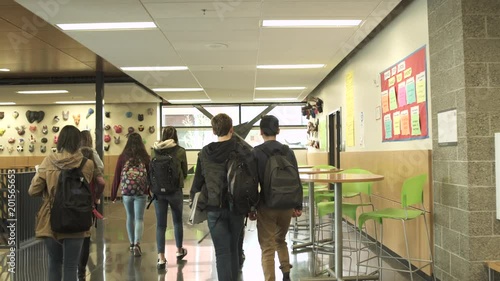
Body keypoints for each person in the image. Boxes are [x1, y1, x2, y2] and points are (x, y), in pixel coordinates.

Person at [190, 113, 253, 281]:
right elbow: (250, 179)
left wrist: (195, 204)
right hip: (237, 208)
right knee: (233, 250)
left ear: (213, 131)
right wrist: (252, 206)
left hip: (213, 209)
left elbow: (197, 183)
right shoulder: (241, 150)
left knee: (222, 253)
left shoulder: (204, 153)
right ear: (231, 130)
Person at [29, 125, 94, 281]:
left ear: (60, 141)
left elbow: (33, 191)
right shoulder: (87, 164)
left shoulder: (48, 161)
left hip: (51, 219)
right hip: (77, 217)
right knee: (71, 266)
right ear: (78, 142)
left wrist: (40, 172)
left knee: (54, 263)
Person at [253, 115, 303, 281]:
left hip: (266, 205)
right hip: (287, 204)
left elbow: (253, 183)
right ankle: (286, 273)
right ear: (278, 130)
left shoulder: (256, 152)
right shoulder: (288, 152)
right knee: (281, 240)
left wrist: (252, 207)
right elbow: (296, 178)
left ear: (261, 132)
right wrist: (298, 205)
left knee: (267, 246)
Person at [152, 126, 188, 269]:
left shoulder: (155, 150)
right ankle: (179, 251)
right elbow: (184, 172)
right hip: (175, 192)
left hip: (158, 193)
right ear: (175, 136)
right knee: (177, 222)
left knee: (161, 225)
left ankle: (161, 258)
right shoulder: (180, 151)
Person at [111, 132, 150, 257]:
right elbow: (150, 176)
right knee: (139, 218)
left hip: (127, 192)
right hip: (141, 192)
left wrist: (113, 194)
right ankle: (137, 243)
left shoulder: (123, 156)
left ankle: (132, 243)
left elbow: (117, 176)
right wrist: (151, 191)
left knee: (130, 217)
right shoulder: (145, 157)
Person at [77, 130, 106, 281]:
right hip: (87, 201)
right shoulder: (91, 155)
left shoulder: (70, 156)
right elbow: (101, 180)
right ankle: (81, 271)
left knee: (70, 235)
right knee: (85, 236)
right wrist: (97, 197)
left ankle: (70, 265)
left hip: (68, 202)